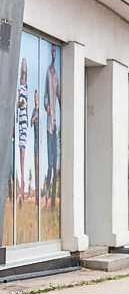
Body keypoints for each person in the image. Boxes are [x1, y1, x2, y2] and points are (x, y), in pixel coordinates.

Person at [44, 44, 61, 208]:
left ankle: (53, 201)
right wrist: (45, 106)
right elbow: (44, 96)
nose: (55, 54)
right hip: (49, 124)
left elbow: (61, 99)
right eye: (53, 51)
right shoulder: (48, 73)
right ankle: (47, 197)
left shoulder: (57, 77)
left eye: (56, 51)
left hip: (55, 124)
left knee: (55, 164)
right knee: (49, 164)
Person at [18, 58, 28, 205]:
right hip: (20, 121)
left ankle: (22, 187)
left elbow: (25, 105)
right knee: (21, 157)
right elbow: (19, 103)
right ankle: (21, 189)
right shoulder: (20, 86)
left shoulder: (25, 86)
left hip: (24, 122)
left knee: (23, 156)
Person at [31, 90, 39, 206]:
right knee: (36, 170)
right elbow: (31, 122)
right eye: (34, 97)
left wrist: (38, 116)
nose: (35, 98)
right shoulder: (34, 111)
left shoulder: (41, 110)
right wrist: (35, 117)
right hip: (35, 145)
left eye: (36, 97)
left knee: (39, 170)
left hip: (41, 145)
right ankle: (37, 199)